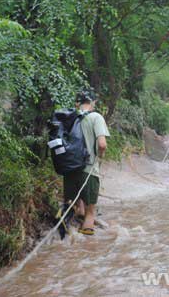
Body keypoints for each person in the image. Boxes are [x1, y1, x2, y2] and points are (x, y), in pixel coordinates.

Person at [63, 89, 110, 235]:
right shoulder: (96, 117)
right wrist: (100, 156)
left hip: (69, 169)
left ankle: (66, 227)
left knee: (73, 204)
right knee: (91, 213)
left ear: (78, 103)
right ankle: (87, 245)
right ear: (93, 102)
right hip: (88, 169)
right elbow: (102, 144)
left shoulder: (71, 117)